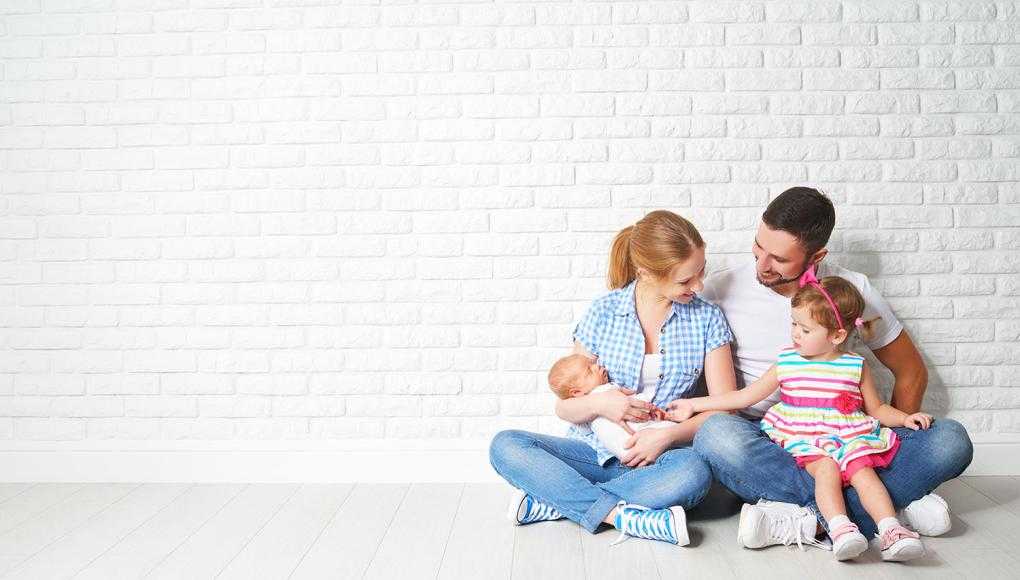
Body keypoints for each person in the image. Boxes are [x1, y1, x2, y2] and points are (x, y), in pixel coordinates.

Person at [694, 187, 973, 549]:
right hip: (775, 441)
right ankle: (885, 512)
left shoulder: (852, 291)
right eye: (758, 247)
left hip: (849, 439)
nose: (761, 265)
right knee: (716, 435)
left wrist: (881, 441)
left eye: (778, 258)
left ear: (817, 256)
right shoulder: (720, 289)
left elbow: (910, 370)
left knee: (951, 440)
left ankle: (805, 518)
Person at [489, 210, 736, 547]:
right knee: (505, 445)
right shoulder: (603, 313)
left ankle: (559, 502)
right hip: (593, 454)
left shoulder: (707, 319)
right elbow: (565, 409)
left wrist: (667, 438)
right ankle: (625, 515)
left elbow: (725, 411)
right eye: (685, 280)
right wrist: (601, 403)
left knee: (695, 473)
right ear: (646, 272)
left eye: (700, 272)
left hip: (661, 461)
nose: (699, 285)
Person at [669, 272, 933, 562]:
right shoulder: (787, 360)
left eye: (805, 330)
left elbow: (877, 410)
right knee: (826, 471)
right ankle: (840, 527)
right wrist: (694, 404)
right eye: (794, 323)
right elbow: (746, 396)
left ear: (837, 335)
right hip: (806, 439)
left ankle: (890, 530)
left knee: (864, 474)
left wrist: (905, 419)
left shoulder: (856, 366)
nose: (795, 333)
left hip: (849, 438)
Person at [548, 353, 675, 461]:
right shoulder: (609, 390)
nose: (597, 366)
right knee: (674, 429)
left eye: (594, 364)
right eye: (589, 370)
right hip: (640, 438)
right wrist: (651, 408)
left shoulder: (582, 413)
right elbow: (636, 402)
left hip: (624, 452)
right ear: (576, 392)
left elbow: (583, 430)